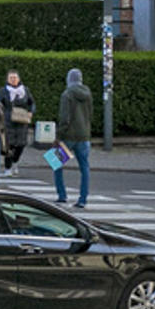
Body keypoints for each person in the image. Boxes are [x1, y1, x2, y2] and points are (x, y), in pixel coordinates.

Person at [56, 67, 94, 208]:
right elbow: (90, 114)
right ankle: (83, 199)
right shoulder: (88, 94)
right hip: (84, 136)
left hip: (68, 136)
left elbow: (64, 118)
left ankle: (62, 195)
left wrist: (58, 136)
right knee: (84, 167)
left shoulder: (67, 94)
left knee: (56, 163)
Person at [1, 69, 35, 176]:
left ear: (19, 79)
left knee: (21, 145)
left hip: (22, 121)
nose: (13, 80)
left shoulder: (25, 90)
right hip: (8, 122)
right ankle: (8, 168)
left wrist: (31, 112)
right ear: (7, 79)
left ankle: (15, 162)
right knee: (9, 145)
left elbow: (32, 103)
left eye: (15, 77)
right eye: (11, 78)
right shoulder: (4, 91)